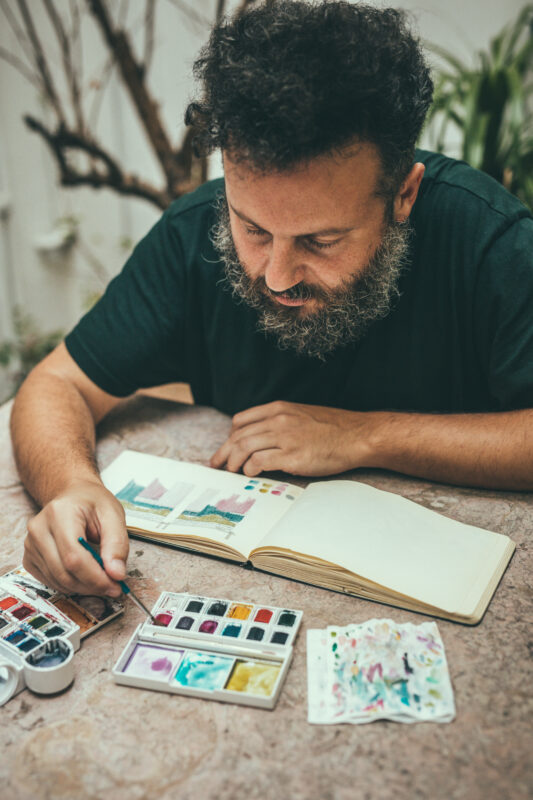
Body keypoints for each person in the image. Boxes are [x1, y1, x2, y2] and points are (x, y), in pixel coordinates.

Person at [10, 1, 533, 599]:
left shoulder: (488, 239)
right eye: (253, 228)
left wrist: (365, 436)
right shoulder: (191, 235)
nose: (277, 276)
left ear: (403, 195)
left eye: (321, 240)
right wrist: (72, 487)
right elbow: (55, 385)